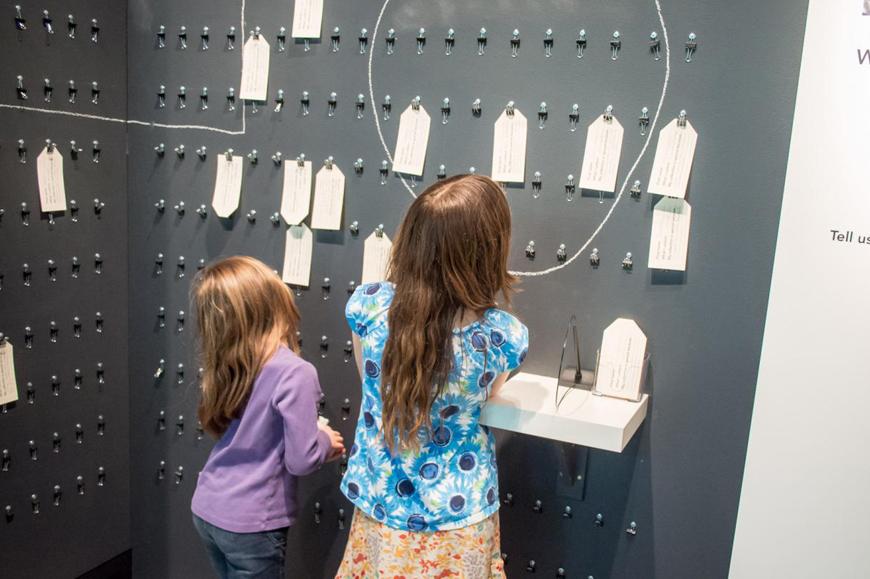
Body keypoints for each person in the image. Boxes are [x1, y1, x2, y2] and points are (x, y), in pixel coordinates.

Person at [336, 175, 529, 578]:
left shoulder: (369, 309)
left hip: (380, 507)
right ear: (489, 251)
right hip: (458, 518)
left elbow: (372, 384)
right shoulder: (499, 337)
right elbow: (488, 397)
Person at [189, 256, 345, 579]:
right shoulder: (295, 372)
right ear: (275, 309)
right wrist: (324, 440)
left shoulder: (229, 364)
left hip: (208, 508)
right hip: (252, 523)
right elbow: (301, 460)